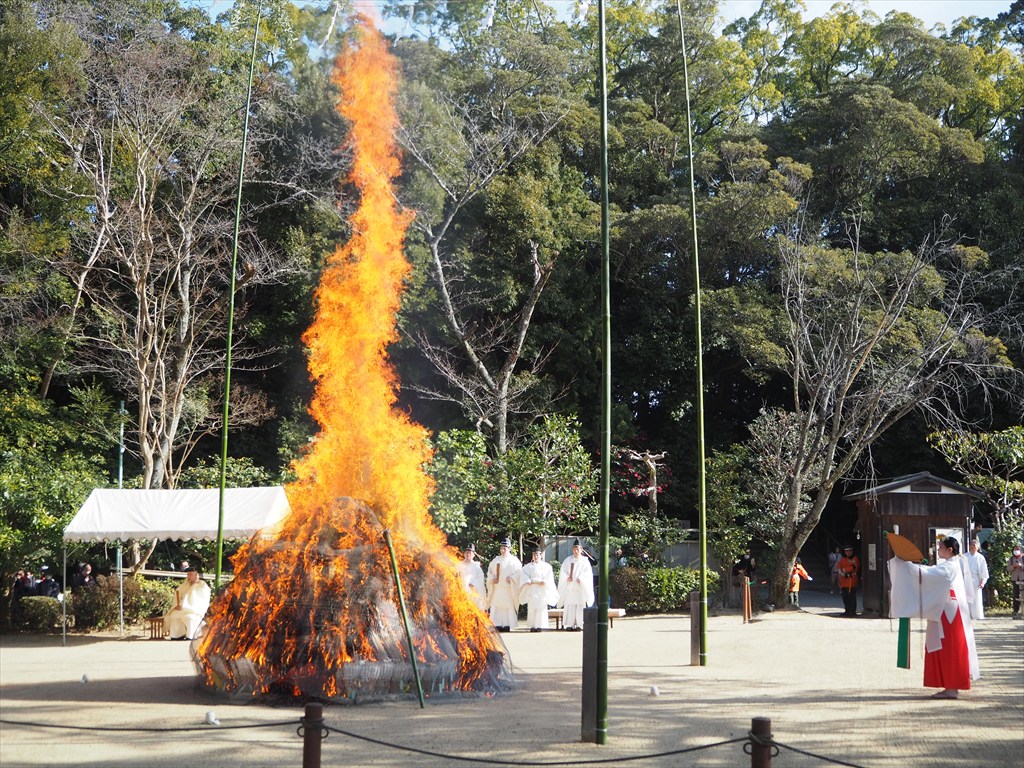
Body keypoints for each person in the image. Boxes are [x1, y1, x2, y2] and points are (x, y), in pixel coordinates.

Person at [889, 537, 980, 699]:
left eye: (941, 547)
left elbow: (929, 574)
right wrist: (909, 566)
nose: (938, 550)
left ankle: (952, 687)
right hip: (945, 610)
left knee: (949, 649)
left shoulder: (950, 566)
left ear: (950, 550)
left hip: (949, 612)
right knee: (944, 648)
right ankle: (949, 685)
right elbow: (931, 572)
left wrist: (907, 566)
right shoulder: (951, 564)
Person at [163, 567, 211, 640]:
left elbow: (203, 597)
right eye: (188, 575)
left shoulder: (202, 584)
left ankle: (190, 636)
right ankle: (177, 635)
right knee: (174, 616)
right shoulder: (185, 584)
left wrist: (195, 586)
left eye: (191, 575)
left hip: (194, 609)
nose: (188, 576)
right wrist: (178, 604)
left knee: (189, 617)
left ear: (196, 575)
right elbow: (178, 592)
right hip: (182, 608)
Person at [557, 539, 594, 631]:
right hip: (570, 588)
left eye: (577, 549)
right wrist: (567, 577)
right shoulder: (567, 560)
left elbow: (587, 574)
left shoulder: (585, 561)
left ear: (581, 550)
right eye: (574, 549)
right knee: (570, 606)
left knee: (580, 607)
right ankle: (569, 624)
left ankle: (580, 625)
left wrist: (581, 578)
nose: (576, 551)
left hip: (580, 589)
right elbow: (563, 572)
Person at [486, 538, 522, 632]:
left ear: (509, 549)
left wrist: (512, 578)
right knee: (497, 606)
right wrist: (492, 579)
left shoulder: (514, 561)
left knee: (507, 607)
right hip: (498, 588)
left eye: (505, 548)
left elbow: (519, 572)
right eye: (502, 548)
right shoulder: (495, 560)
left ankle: (507, 624)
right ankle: (497, 624)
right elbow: (489, 572)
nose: (503, 550)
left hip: (508, 588)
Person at [518, 549, 558, 632]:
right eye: (534, 555)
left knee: (541, 608)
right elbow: (524, 575)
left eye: (537, 555)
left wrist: (544, 581)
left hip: (541, 590)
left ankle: (540, 626)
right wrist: (527, 580)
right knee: (532, 608)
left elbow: (549, 578)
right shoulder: (527, 567)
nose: (536, 557)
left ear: (540, 556)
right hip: (532, 589)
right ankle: (532, 626)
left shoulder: (547, 567)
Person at [962, 538, 989, 620]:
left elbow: (983, 571)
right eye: (971, 544)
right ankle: (966, 614)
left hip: (975, 579)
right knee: (965, 597)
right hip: (965, 579)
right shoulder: (964, 556)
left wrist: (982, 582)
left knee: (976, 598)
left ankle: (976, 615)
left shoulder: (980, 557)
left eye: (974, 545)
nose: (972, 546)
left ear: (978, 547)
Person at [456, 543, 486, 610]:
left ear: (473, 555)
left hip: (473, 594)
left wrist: (474, 584)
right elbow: (455, 577)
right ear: (464, 554)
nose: (468, 554)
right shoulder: (459, 566)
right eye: (467, 552)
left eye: (470, 553)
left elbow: (481, 579)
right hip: (462, 593)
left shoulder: (477, 567)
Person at [837, 545, 860, 617]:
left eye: (850, 551)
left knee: (851, 597)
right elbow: (839, 565)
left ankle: (852, 611)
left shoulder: (855, 558)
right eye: (846, 551)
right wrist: (840, 571)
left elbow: (853, 567)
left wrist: (843, 570)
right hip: (844, 581)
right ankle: (847, 610)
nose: (848, 553)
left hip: (851, 580)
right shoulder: (844, 559)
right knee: (845, 597)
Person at [1009, 545, 1024, 616]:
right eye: (1015, 549)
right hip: (1015, 579)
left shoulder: (1023, 557)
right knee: (1016, 595)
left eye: (1018, 549)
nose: (1016, 551)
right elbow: (1008, 568)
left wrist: (1021, 566)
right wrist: (1013, 566)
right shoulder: (1011, 559)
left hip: (1023, 578)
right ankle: (1016, 611)